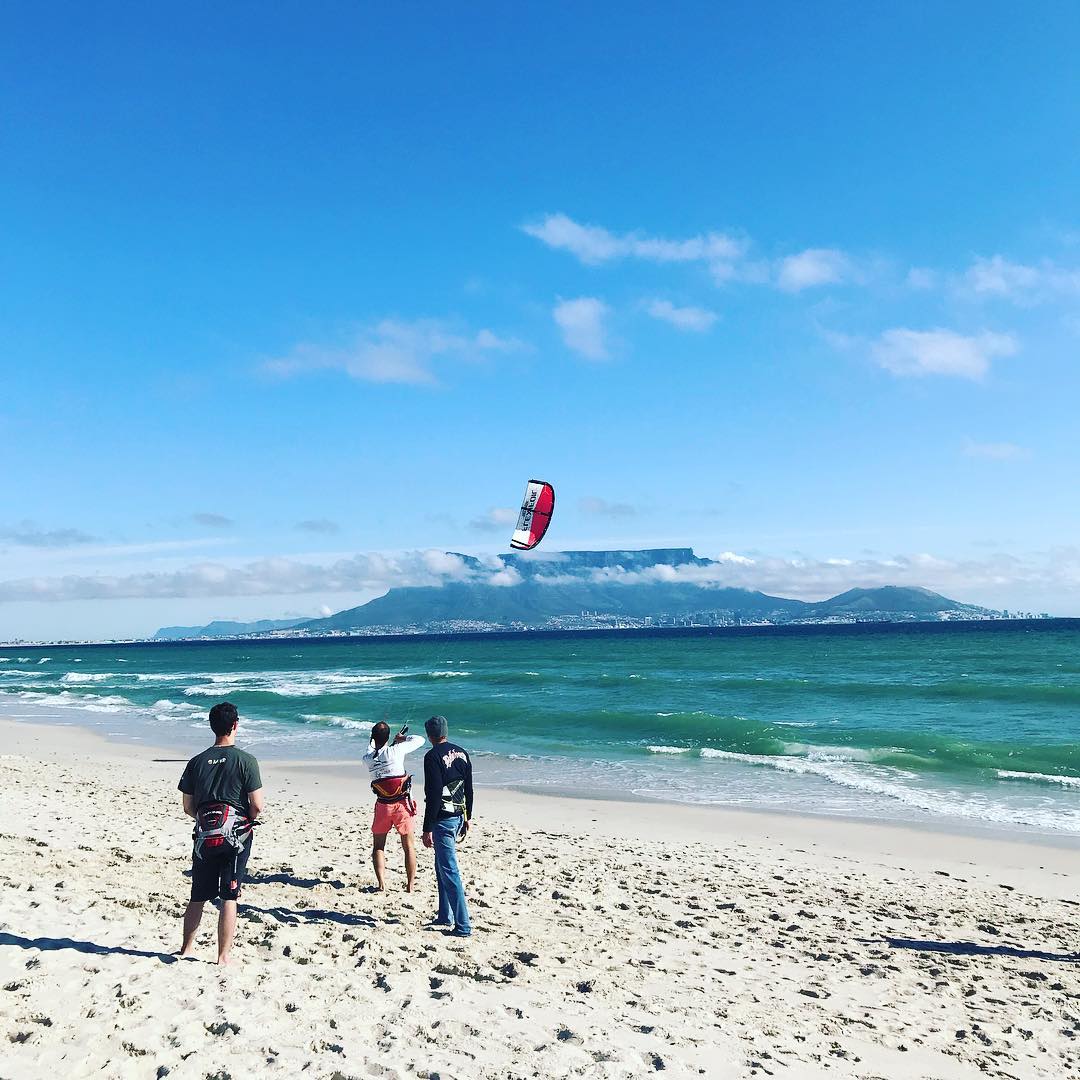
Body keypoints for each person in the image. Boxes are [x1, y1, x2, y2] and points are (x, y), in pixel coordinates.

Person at [177, 701, 263, 965]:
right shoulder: (246, 761)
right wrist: (245, 819)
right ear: (235, 725)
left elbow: (188, 807)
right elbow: (257, 805)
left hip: (204, 835)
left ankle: (186, 949)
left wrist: (207, 821)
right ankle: (223, 956)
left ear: (212, 727)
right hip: (236, 837)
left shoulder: (196, 762)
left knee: (198, 895)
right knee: (229, 895)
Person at [421, 714, 473, 937]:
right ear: (446, 732)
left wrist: (426, 827)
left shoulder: (432, 757)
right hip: (458, 815)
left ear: (429, 735)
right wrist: (468, 815)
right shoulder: (462, 752)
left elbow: (433, 794)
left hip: (443, 819)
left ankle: (463, 926)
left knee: (449, 870)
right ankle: (445, 915)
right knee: (441, 866)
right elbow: (469, 787)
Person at [362, 720, 426, 891]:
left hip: (383, 806)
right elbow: (420, 740)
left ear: (373, 738)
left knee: (378, 846)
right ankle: (410, 885)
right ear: (388, 737)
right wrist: (402, 738)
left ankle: (382, 884)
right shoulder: (396, 750)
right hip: (401, 805)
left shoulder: (367, 759)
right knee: (408, 846)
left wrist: (377, 741)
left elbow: (371, 748)